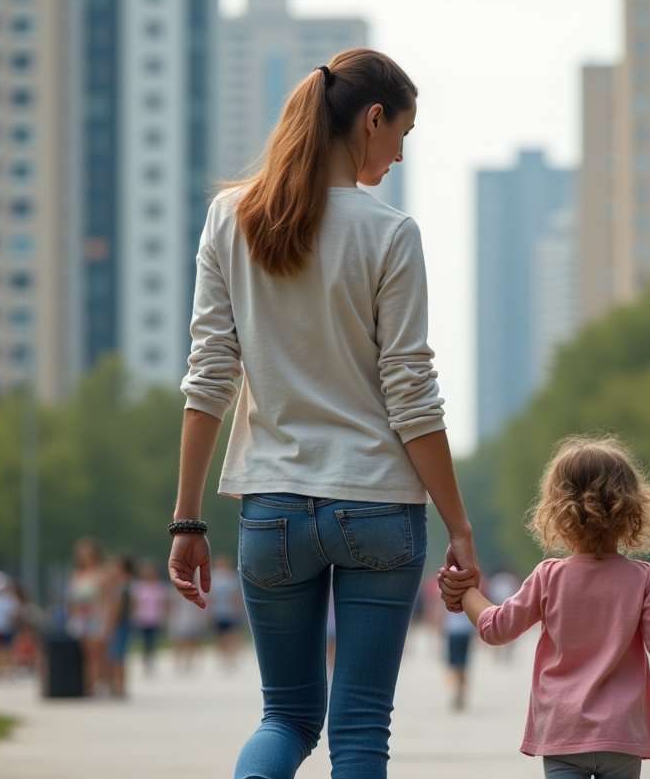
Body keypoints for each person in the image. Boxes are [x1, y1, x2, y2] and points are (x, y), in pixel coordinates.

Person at [168, 48, 478, 779]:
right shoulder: (390, 234)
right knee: (361, 730)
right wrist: (459, 526)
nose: (401, 153)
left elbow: (208, 378)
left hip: (271, 512)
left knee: (285, 717)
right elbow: (411, 392)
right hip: (377, 507)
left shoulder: (229, 219)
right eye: (403, 132)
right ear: (373, 120)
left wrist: (187, 520)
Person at [441, 437, 650, 777]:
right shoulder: (642, 578)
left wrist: (464, 590)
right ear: (632, 511)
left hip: (562, 733)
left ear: (557, 511)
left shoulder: (548, 577)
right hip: (621, 735)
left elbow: (496, 629)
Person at [68, 537, 107, 695]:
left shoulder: (101, 574)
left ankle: (96, 684)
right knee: (84, 653)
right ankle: (87, 683)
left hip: (95, 616)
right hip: (80, 618)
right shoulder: (77, 574)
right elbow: (72, 599)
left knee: (95, 654)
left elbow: (105, 599)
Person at [103, 554, 135, 698]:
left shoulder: (121, 585)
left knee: (117, 656)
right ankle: (119, 686)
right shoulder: (129, 583)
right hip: (125, 623)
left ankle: (119, 687)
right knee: (119, 656)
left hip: (120, 624)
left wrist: (109, 626)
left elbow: (116, 607)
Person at [131, 560, 169, 676]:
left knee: (152, 641)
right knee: (144, 641)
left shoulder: (160, 586)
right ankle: (145, 658)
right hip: (142, 618)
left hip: (155, 618)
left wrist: (165, 616)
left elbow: (164, 603)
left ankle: (150, 659)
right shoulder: (138, 586)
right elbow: (135, 603)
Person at [211, 554, 244, 670]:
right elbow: (211, 596)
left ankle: (232, 658)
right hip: (218, 612)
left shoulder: (232, 577)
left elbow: (236, 595)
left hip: (230, 611)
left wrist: (237, 609)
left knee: (233, 636)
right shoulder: (213, 577)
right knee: (220, 636)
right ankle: (222, 657)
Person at [442, 605, 474, 711]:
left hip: (453, 630)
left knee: (454, 665)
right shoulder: (470, 589)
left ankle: (457, 692)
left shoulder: (446, 589)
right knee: (462, 665)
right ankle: (460, 693)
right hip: (465, 630)